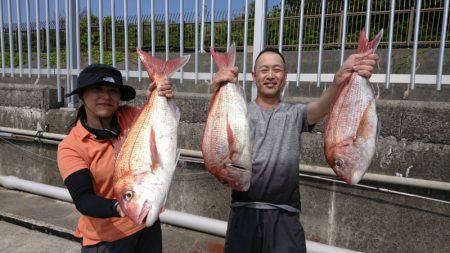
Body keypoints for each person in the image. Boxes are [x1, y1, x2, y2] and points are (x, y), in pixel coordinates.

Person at [212, 48, 379, 253]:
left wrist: (339, 79)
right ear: (254, 76)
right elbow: (216, 137)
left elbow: (322, 106)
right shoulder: (239, 113)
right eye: (264, 70)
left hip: (286, 218)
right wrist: (216, 88)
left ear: (285, 77)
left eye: (277, 70)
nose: (271, 75)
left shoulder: (295, 114)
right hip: (243, 215)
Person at [57, 64, 173, 253]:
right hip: (106, 241)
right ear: (82, 96)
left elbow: (161, 125)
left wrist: (158, 95)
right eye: (97, 89)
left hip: (146, 224)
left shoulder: (132, 117)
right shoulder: (71, 146)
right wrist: (121, 207)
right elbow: (83, 199)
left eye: (113, 91)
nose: (106, 96)